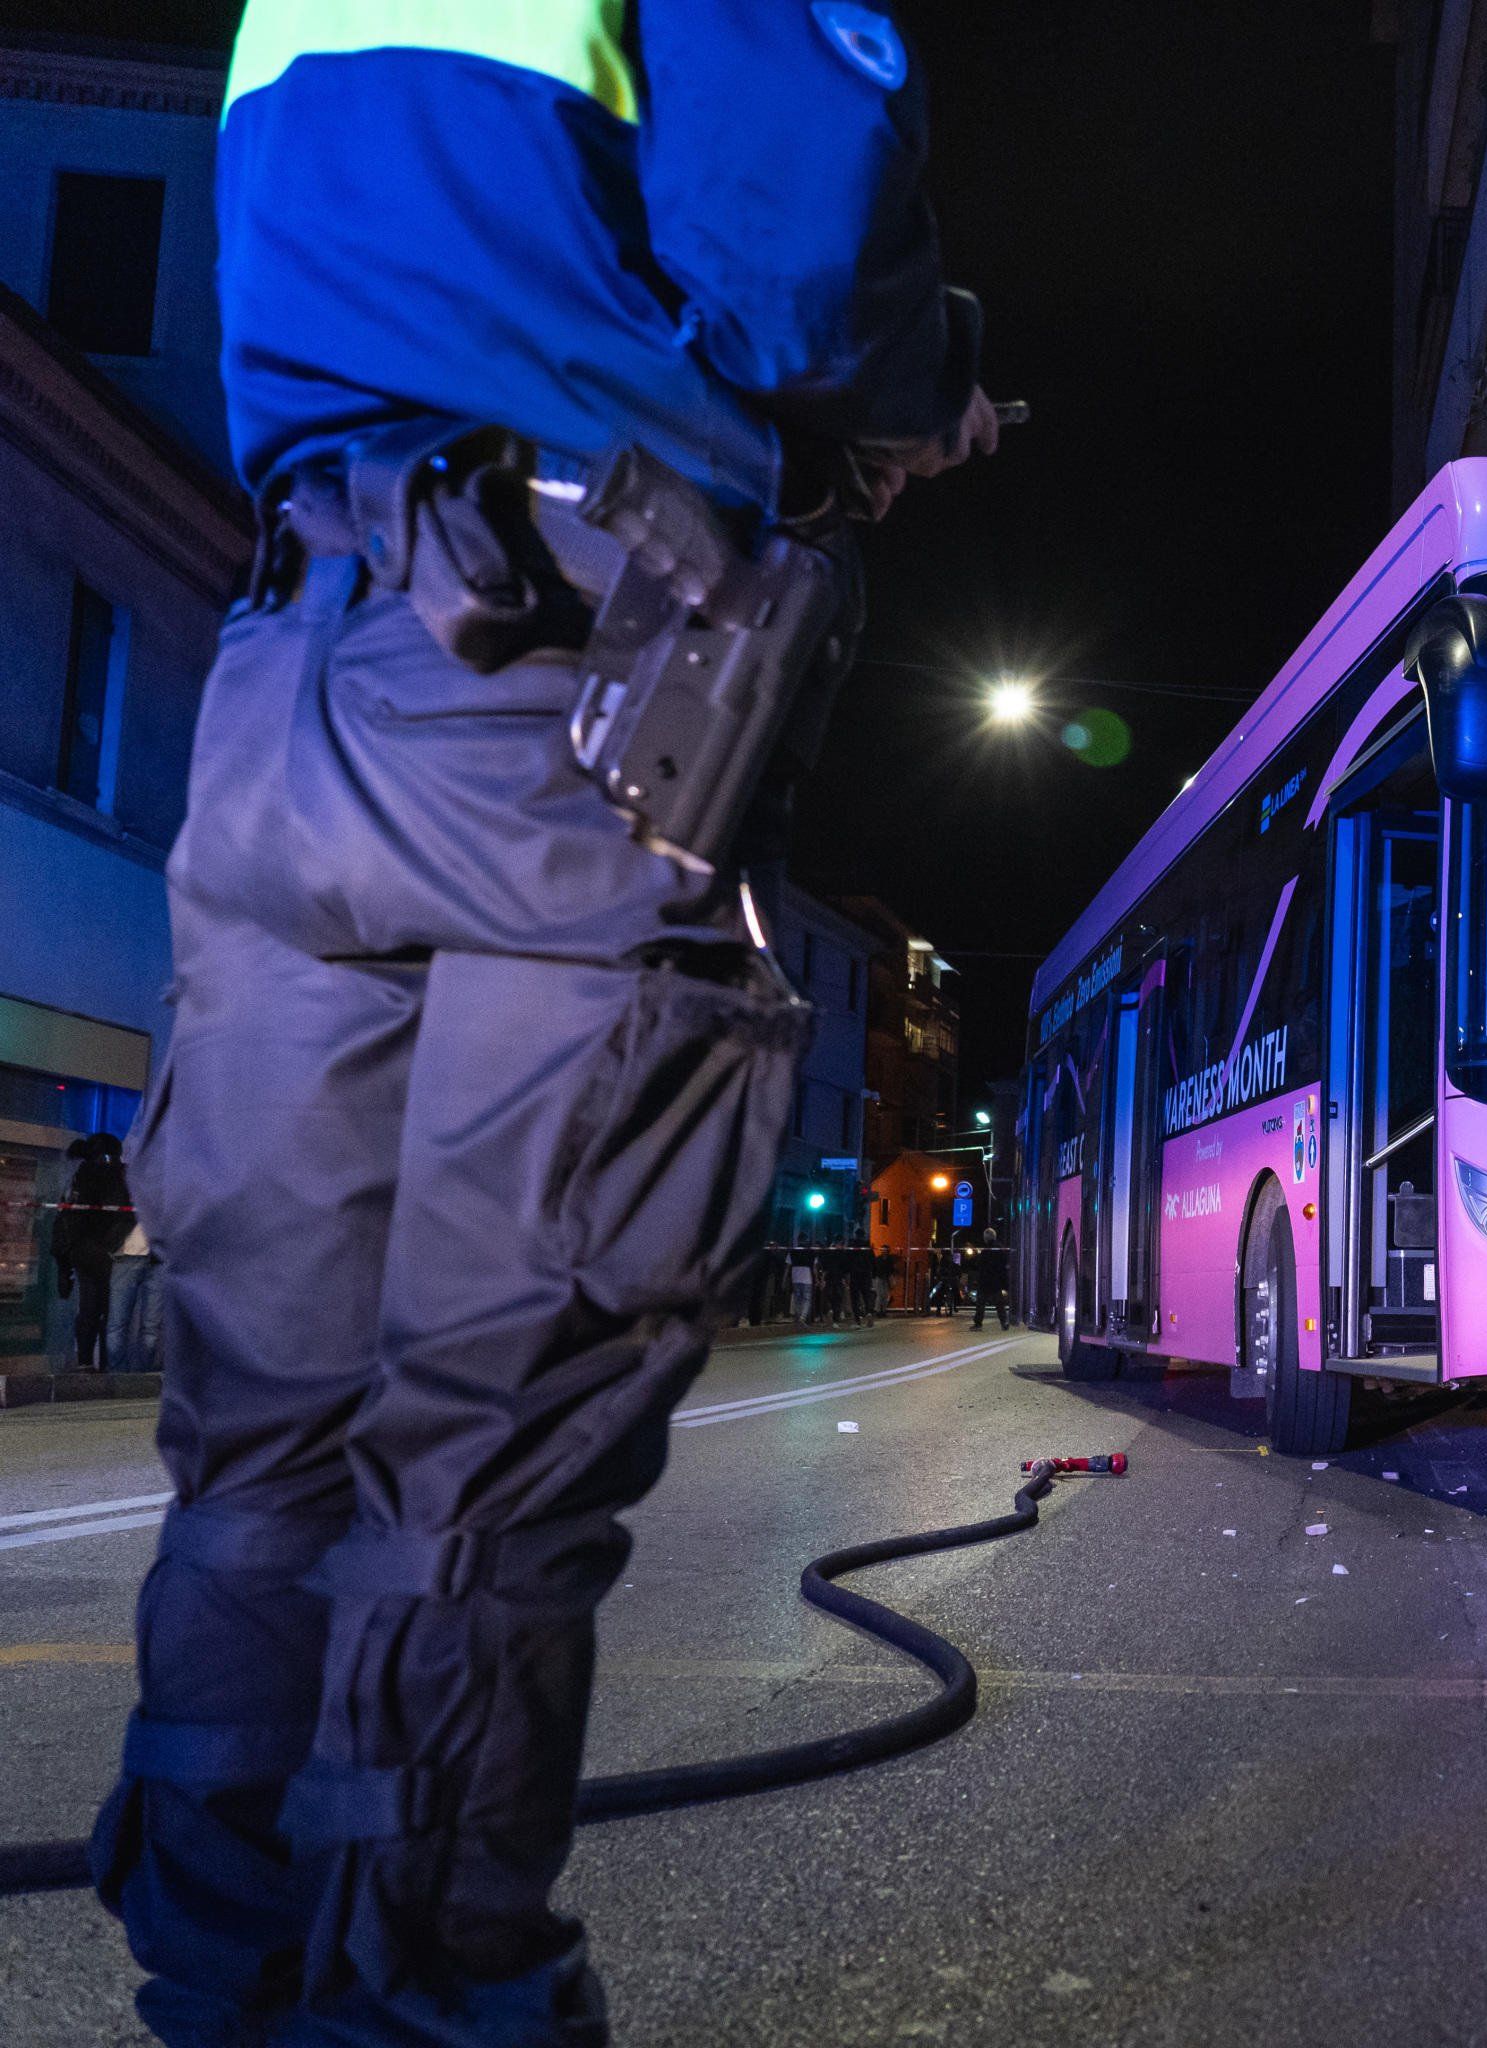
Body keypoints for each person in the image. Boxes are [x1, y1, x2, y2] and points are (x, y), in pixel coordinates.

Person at [96, 7, 996, 2043]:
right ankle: (418, 2004)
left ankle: (226, 1981)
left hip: (290, 702)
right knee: (483, 1461)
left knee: (260, 1445)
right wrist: (929, 381)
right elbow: (797, 274)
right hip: (560, 710)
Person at [53, 1134, 135, 1372]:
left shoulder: (79, 1176)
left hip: (88, 1253)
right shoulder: (105, 1175)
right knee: (105, 1313)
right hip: (100, 1254)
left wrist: (63, 1264)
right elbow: (122, 1214)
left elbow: (65, 1222)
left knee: (93, 1311)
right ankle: (99, 1365)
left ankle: (87, 1364)